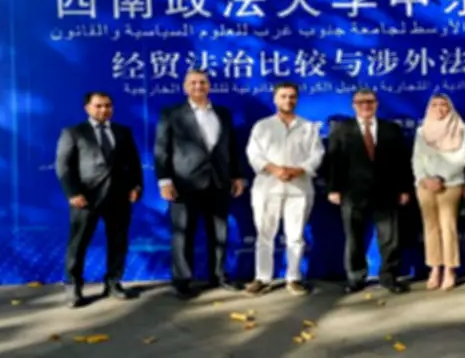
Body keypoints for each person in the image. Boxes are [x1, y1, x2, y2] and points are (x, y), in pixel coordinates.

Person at [154, 69, 246, 299]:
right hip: (184, 183)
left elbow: (231, 147)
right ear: (185, 87)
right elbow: (162, 149)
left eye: (202, 82)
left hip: (218, 182)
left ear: (209, 86)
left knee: (219, 232)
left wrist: (236, 176)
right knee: (183, 233)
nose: (198, 86)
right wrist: (165, 181)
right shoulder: (171, 113)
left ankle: (219, 276)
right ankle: (182, 282)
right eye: (193, 83)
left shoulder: (223, 113)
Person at [55, 92, 143, 308]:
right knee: (78, 244)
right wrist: (73, 193)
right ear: (87, 108)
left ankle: (113, 282)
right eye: (99, 106)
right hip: (86, 198)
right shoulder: (73, 132)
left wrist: (136, 186)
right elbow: (64, 166)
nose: (104, 110)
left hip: (119, 197)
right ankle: (73, 286)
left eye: (108, 105)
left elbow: (134, 162)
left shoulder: (123, 131)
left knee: (118, 242)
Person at [325, 88, 411, 294]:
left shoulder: (391, 129)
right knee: (354, 237)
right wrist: (333, 188)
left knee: (389, 238)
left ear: (376, 104)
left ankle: (389, 277)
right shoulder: (341, 129)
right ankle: (356, 277)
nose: (365, 105)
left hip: (386, 191)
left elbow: (402, 162)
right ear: (354, 106)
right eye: (361, 102)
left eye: (370, 101)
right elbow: (333, 161)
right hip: (352, 192)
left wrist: (404, 189)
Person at [244, 83, 324, 297]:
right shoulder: (262, 126)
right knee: (264, 234)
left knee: (295, 236)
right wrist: (275, 169)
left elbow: (316, 155)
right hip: (267, 188)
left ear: (297, 99)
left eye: (292, 96)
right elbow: (254, 154)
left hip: (299, 188)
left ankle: (294, 278)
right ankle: (262, 278)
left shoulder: (308, 127)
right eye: (283, 96)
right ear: (275, 99)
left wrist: (298, 170)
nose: (288, 100)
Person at [412, 94, 465, 291]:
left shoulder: (460, 128)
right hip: (425, 185)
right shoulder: (421, 131)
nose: (439, 108)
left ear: (450, 108)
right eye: (434, 105)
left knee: (448, 226)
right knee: (430, 227)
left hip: (450, 184)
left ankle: (450, 270)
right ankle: (435, 268)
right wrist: (424, 178)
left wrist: (440, 178)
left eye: (443, 105)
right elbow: (417, 158)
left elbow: (461, 158)